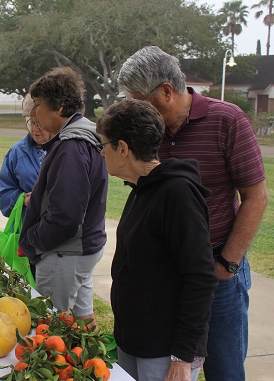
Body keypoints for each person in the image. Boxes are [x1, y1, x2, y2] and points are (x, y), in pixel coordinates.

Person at [117, 46, 268, 381]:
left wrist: (227, 264)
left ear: (166, 92)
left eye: (138, 100)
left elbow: (256, 197)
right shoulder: (148, 132)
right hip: (168, 274)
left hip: (216, 268)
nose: (134, 108)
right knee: (176, 364)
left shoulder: (227, 120)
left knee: (224, 369)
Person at [96, 99, 218, 381]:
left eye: (103, 145)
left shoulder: (177, 194)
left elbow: (201, 277)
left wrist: (181, 357)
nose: (101, 154)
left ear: (123, 148)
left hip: (165, 352)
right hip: (134, 339)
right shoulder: (139, 190)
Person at [18, 67, 108, 324]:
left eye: (38, 105)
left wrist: (32, 240)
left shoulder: (71, 147)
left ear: (58, 107)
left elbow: (65, 217)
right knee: (81, 320)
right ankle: (90, 361)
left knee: (52, 329)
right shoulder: (82, 137)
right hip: (81, 248)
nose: (33, 113)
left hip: (65, 254)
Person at [0, 94, 52, 217]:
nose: (35, 129)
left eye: (39, 124)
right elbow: (4, 193)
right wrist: (23, 200)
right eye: (32, 123)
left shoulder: (66, 150)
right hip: (28, 228)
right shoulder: (17, 152)